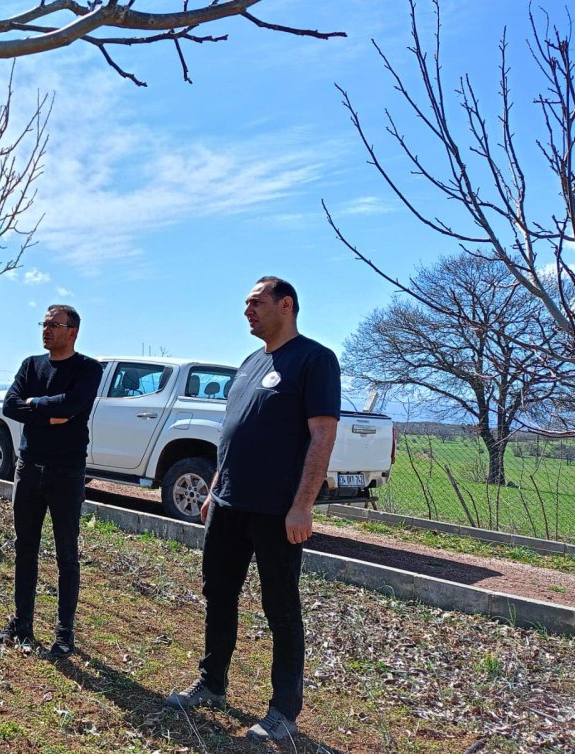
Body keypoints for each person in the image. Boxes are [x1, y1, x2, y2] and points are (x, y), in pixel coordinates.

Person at [164, 276, 339, 743]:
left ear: (286, 305)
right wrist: (214, 488)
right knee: (218, 594)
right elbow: (234, 433)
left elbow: (322, 436)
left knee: (280, 607)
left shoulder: (314, 360)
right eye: (245, 303)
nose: (247, 310)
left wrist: (303, 505)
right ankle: (212, 683)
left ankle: (283, 710)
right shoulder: (248, 363)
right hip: (227, 504)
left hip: (277, 510)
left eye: (256, 302)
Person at [0, 304, 103, 658]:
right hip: (28, 468)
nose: (46, 329)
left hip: (66, 472)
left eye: (54, 324)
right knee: (25, 547)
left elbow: (72, 406)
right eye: (44, 323)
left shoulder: (88, 369)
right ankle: (22, 622)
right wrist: (46, 414)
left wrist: (35, 403)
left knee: (66, 555)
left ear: (73, 331)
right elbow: (10, 406)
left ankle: (64, 634)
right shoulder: (30, 365)